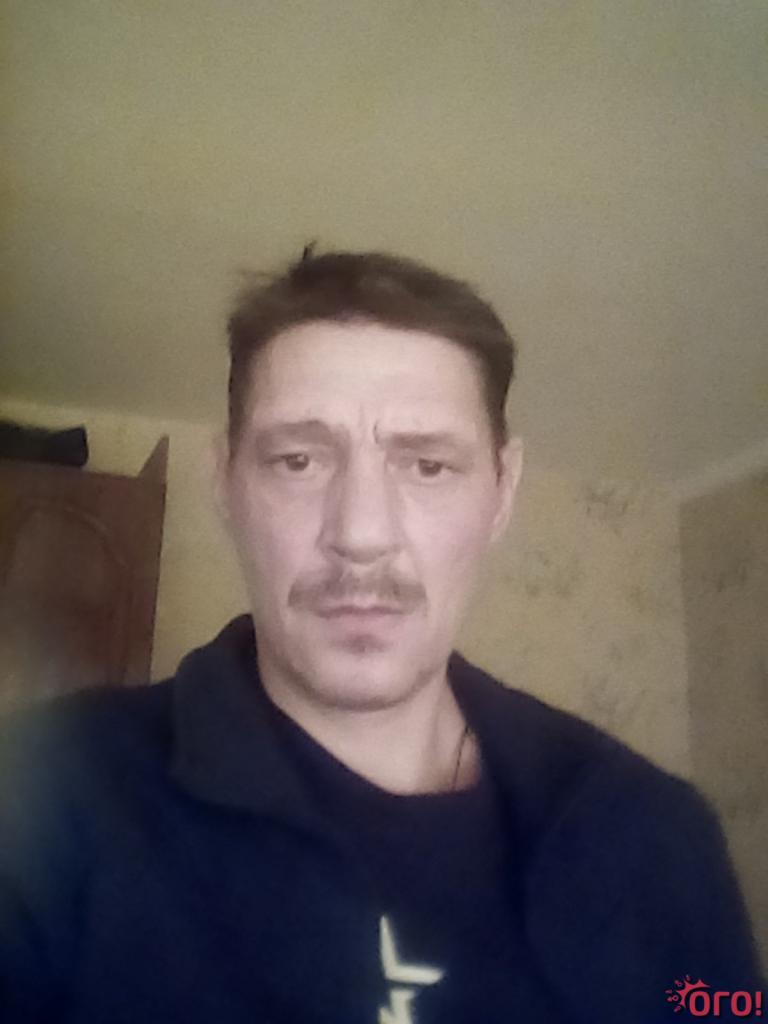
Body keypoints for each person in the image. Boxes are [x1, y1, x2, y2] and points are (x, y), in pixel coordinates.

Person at [0, 250, 762, 1023]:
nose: (361, 534)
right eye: (298, 460)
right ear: (226, 482)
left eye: (428, 466)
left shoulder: (654, 837)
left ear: (502, 491)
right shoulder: (39, 794)